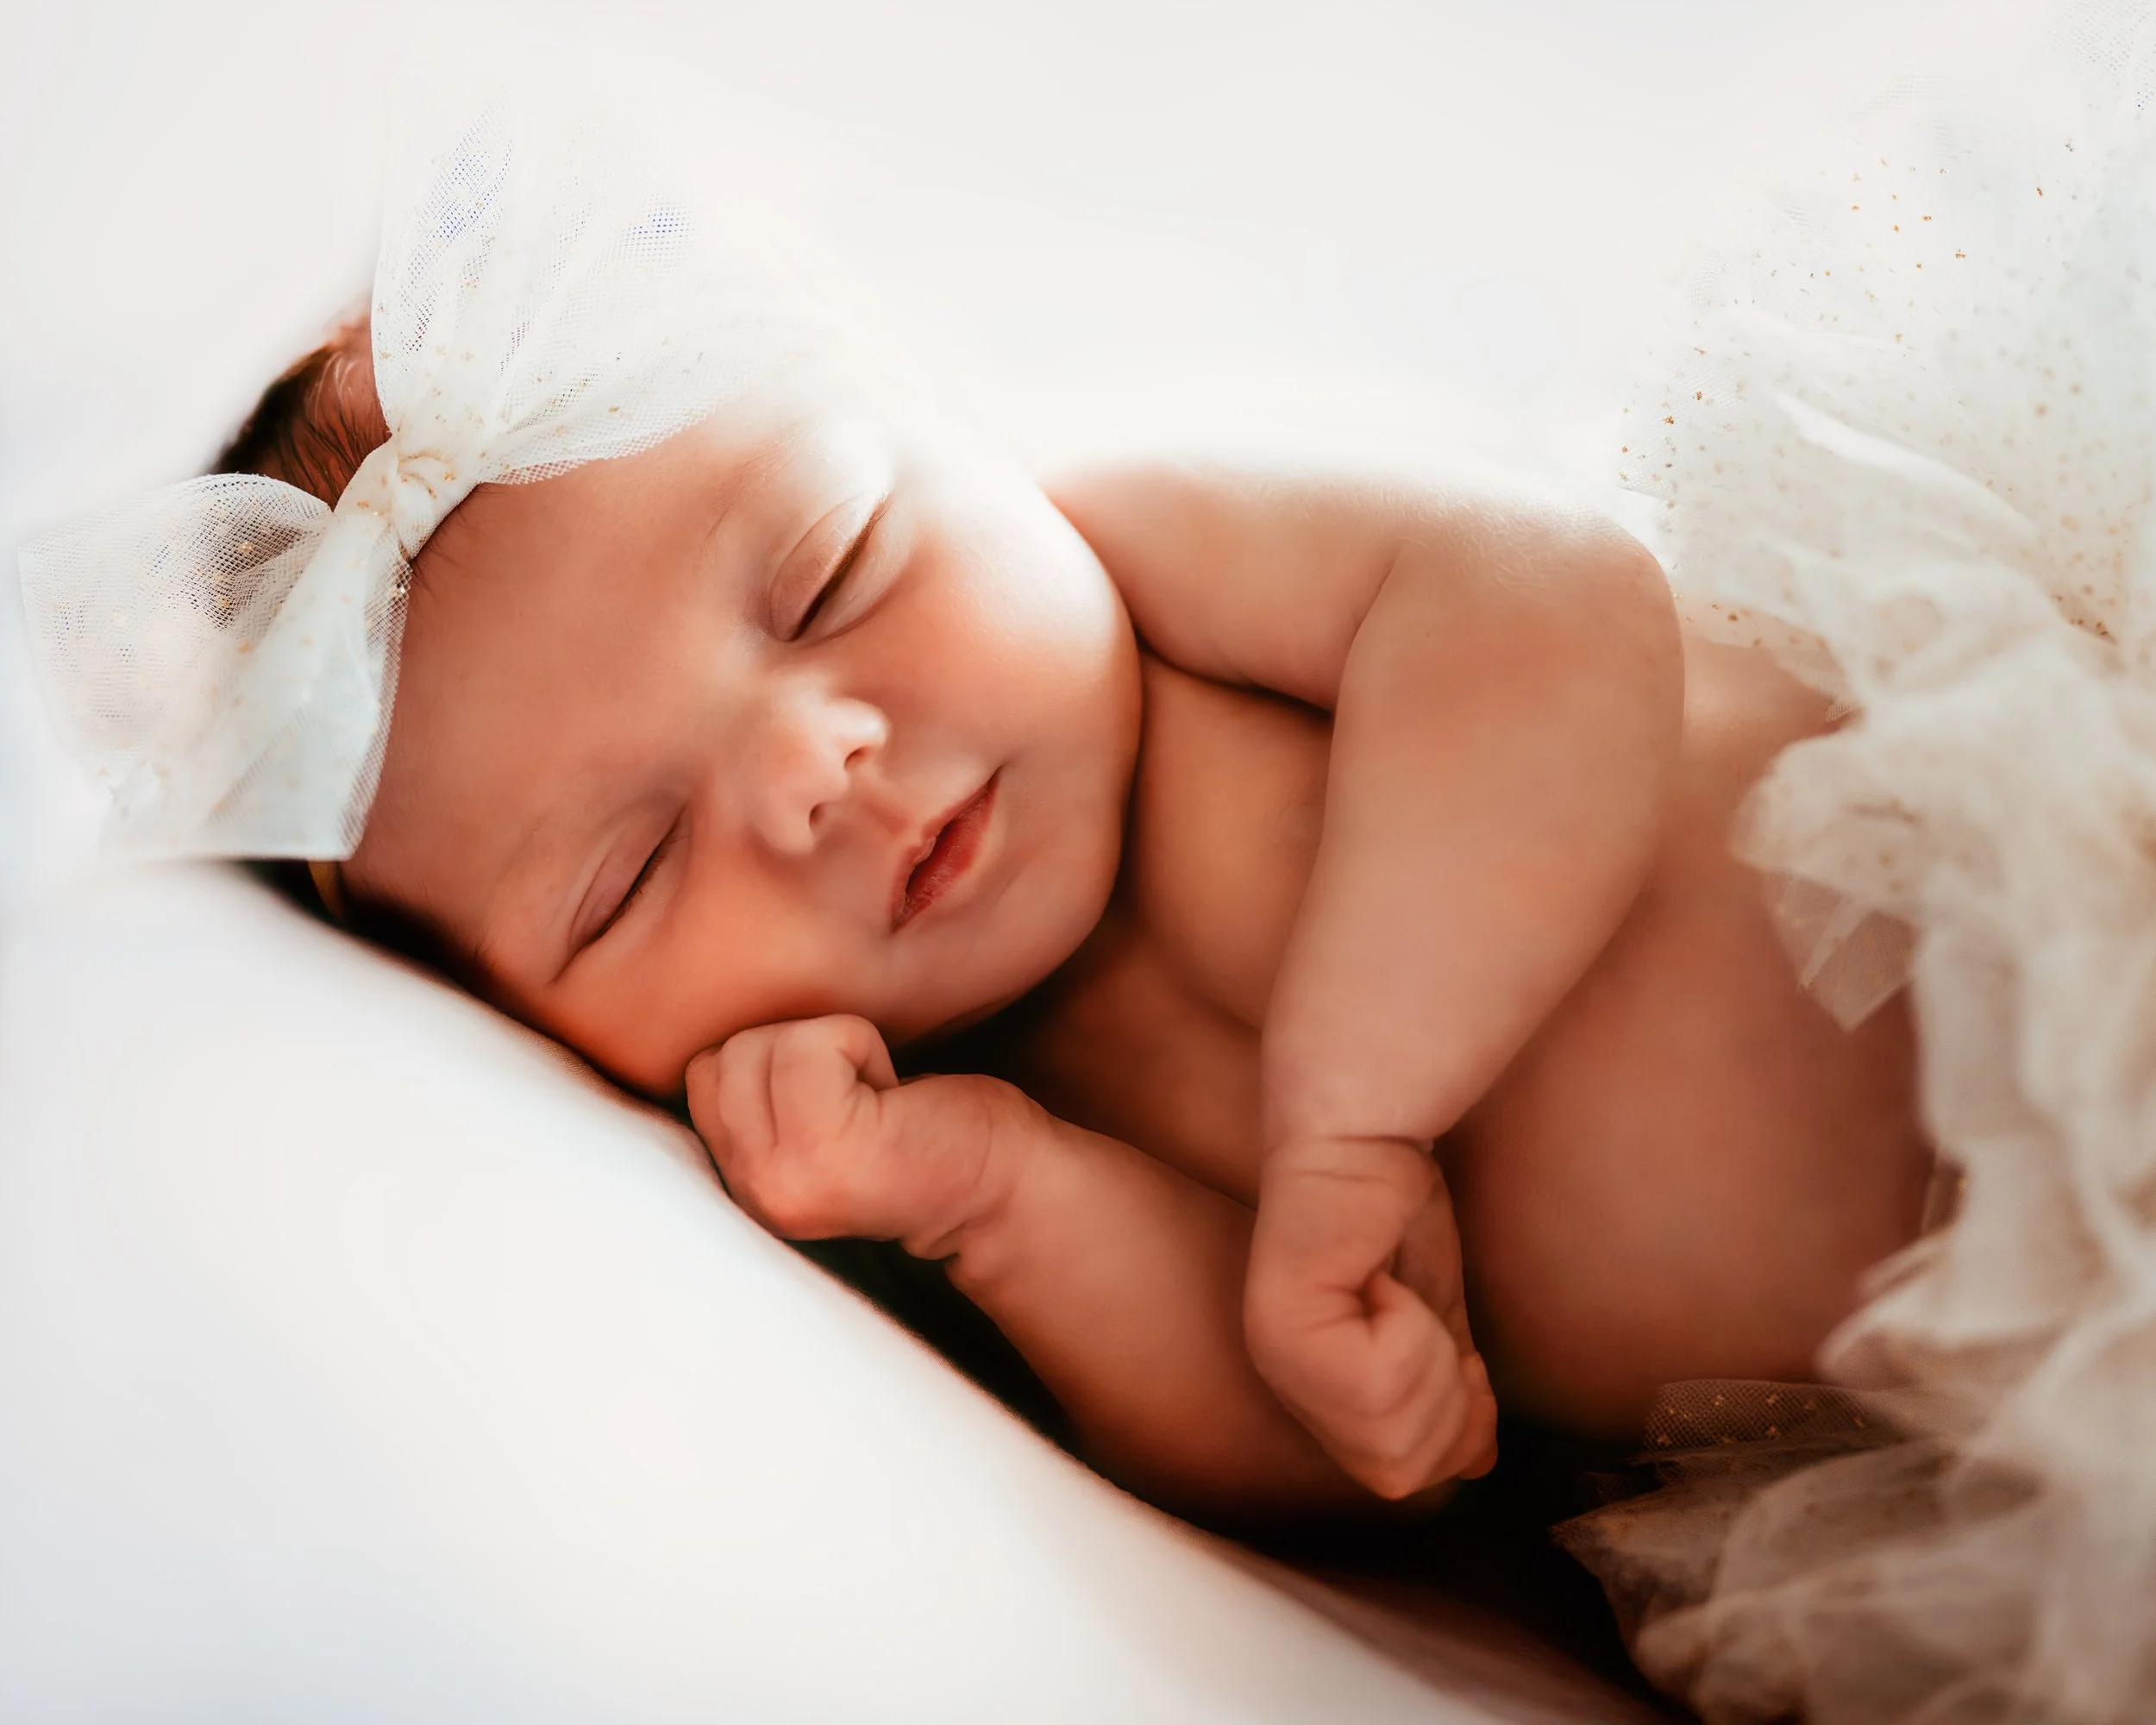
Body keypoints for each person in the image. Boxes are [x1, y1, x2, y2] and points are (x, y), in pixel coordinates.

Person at [16, 115, 1931, 1531]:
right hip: (1971, 1388)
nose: (811, 767)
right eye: (630, 874)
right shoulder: (962, 1110)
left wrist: (1355, 1115)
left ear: (934, 424)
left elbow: (1552, 604)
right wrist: (993, 1194)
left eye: (829, 569)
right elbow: (1337, 1443)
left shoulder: (1143, 556)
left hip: (2005, 910)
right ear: (540, 1036)